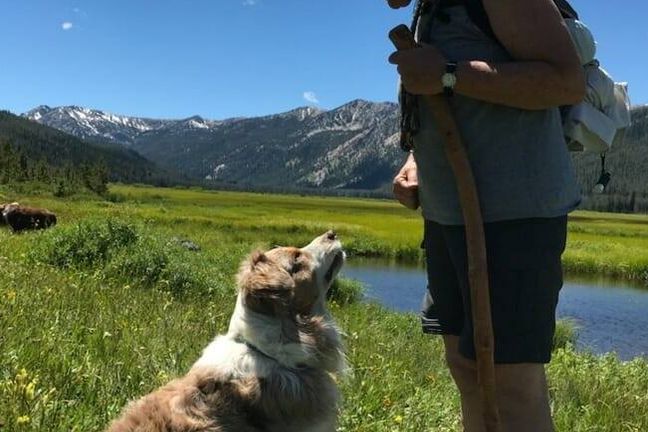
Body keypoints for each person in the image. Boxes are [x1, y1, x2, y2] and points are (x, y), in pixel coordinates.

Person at [387, 0, 585, 431]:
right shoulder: (430, 7)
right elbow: (458, 110)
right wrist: (417, 161)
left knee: (510, 384)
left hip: (514, 217)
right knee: (467, 367)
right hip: (448, 216)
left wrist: (448, 73)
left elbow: (567, 82)